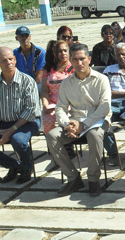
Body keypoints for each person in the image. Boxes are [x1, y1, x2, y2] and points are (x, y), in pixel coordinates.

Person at [46, 43, 111, 197]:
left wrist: (84, 125)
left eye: (82, 59)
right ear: (71, 62)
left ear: (89, 59)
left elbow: (104, 108)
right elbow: (60, 107)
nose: (79, 63)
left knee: (95, 136)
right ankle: (73, 178)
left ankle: (93, 179)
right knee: (52, 136)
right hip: (74, 122)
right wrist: (66, 124)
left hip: (98, 121)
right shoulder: (67, 82)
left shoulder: (101, 79)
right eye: (75, 60)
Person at [0, 47, 41, 184]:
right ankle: (13, 165)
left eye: (11, 59)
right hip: (3, 122)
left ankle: (26, 167)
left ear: (15, 59)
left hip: (27, 121)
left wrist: (11, 130)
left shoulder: (27, 81)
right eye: (4, 60)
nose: (9, 63)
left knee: (18, 140)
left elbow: (31, 110)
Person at [41, 40, 74, 134]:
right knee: (46, 119)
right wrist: (45, 105)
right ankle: (52, 144)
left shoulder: (73, 68)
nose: (63, 53)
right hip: (53, 102)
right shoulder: (48, 69)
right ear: (55, 53)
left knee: (65, 121)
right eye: (60, 51)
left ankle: (68, 144)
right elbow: (44, 90)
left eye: (65, 50)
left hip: (70, 102)